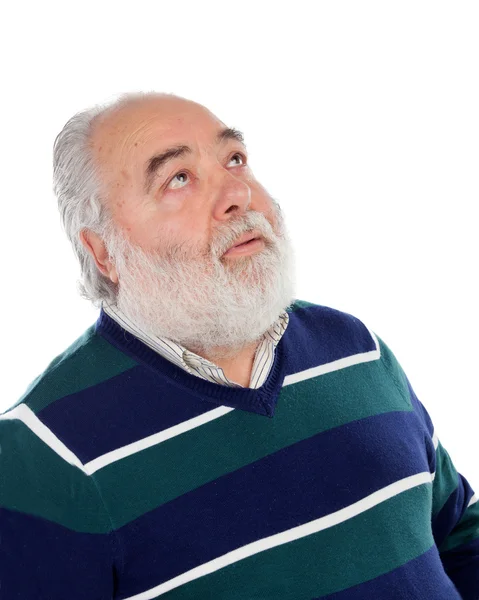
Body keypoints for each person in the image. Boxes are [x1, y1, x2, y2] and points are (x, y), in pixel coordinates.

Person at [0, 91, 477, 600]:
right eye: (178, 178)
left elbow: (455, 532)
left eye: (235, 159)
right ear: (101, 251)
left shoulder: (355, 349)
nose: (237, 194)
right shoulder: (42, 456)